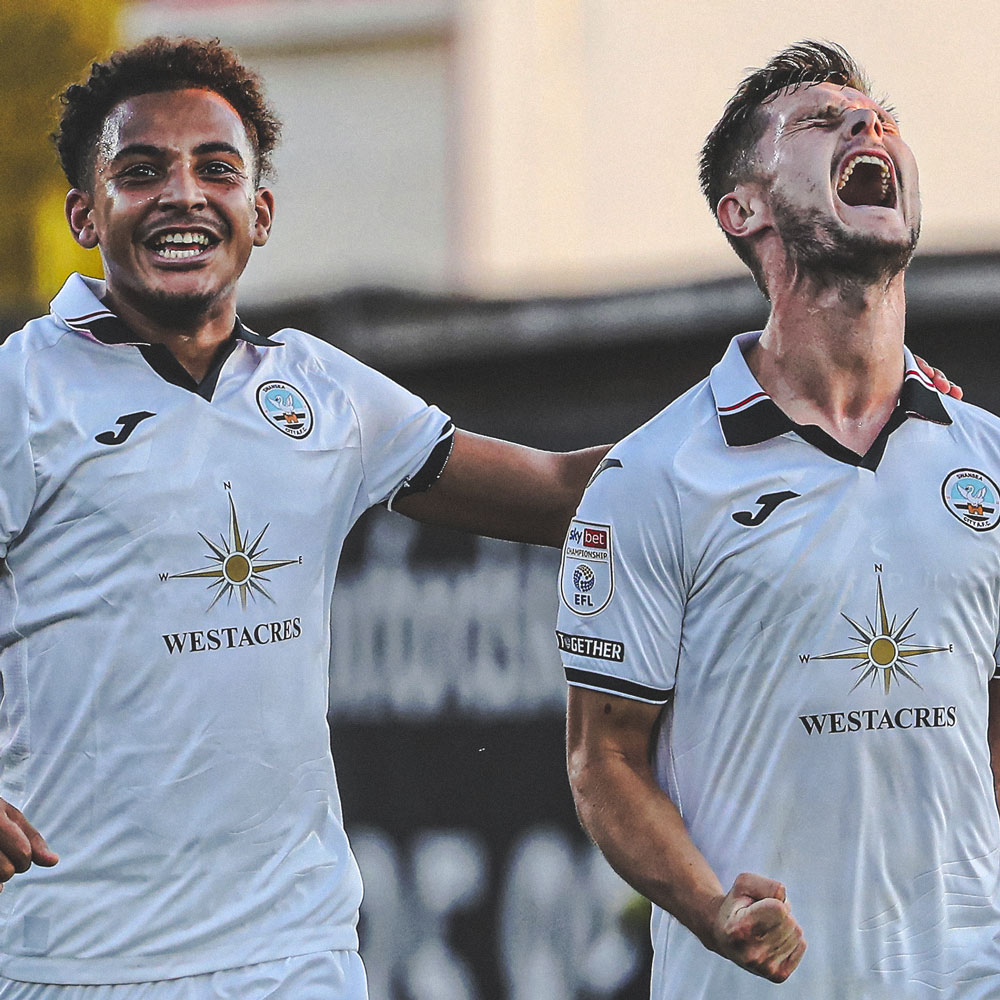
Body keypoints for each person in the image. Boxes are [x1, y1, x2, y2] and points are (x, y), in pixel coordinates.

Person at [0, 36, 616, 999]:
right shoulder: (22, 390)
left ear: (261, 211)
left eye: (218, 168)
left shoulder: (318, 390)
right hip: (76, 960)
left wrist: (780, 406)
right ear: (86, 211)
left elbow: (560, 491)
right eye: (140, 170)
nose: (184, 194)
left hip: (295, 958)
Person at [558, 40, 1000, 1000]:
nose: (867, 125)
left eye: (880, 116)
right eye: (818, 119)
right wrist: (715, 909)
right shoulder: (652, 475)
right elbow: (605, 762)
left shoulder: (990, 459)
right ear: (743, 209)